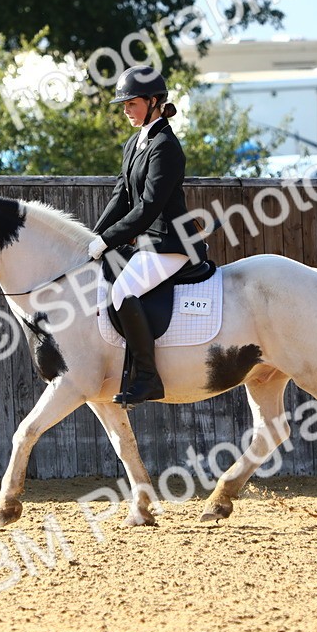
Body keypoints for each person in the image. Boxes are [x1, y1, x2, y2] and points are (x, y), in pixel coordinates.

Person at [87, 65, 205, 407]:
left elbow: (149, 207)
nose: (126, 110)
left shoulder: (166, 146)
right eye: (124, 104)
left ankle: (148, 378)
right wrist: (94, 236)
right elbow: (120, 197)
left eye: (132, 103)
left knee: (123, 292)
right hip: (148, 244)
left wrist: (108, 239)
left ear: (154, 102)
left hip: (170, 243)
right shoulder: (135, 143)